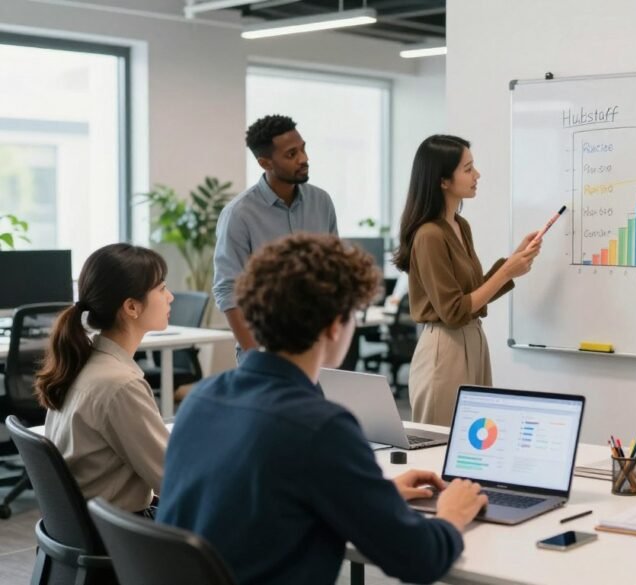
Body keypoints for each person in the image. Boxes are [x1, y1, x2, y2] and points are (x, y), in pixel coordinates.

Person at [157, 233, 487, 585]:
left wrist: (376, 494)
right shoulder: (320, 427)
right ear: (333, 327)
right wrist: (452, 513)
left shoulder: (202, 398)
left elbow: (268, 497)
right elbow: (420, 559)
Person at [393, 135, 541, 425]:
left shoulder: (460, 226)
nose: (477, 175)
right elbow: (454, 310)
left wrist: (513, 260)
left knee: (477, 441)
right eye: (468, 169)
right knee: (440, 443)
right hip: (445, 348)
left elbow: (473, 294)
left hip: (473, 340)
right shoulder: (429, 235)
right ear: (443, 181)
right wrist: (506, 272)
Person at [35, 243, 172, 517]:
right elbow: (173, 478)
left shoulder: (81, 363)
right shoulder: (120, 385)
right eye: (161, 289)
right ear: (131, 307)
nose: (170, 297)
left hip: (89, 526)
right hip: (120, 531)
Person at [213, 114, 338, 357]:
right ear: (265, 163)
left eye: (303, 149)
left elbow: (334, 272)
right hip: (264, 349)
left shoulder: (321, 202)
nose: (304, 158)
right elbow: (228, 289)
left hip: (318, 346)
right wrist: (255, 353)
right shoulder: (239, 214)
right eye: (291, 154)